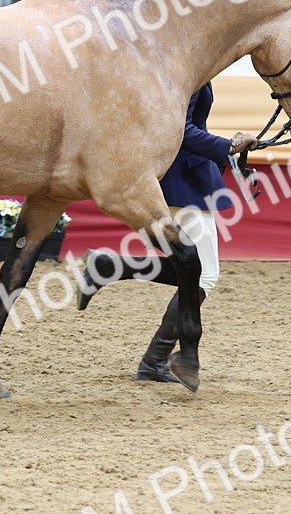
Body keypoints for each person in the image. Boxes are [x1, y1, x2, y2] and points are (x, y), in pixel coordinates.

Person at [77, 81, 257, 383]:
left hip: (177, 176)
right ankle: (155, 360)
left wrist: (228, 149)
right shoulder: (189, 74)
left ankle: (108, 266)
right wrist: (227, 146)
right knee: (203, 275)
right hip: (181, 181)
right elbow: (180, 131)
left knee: (189, 266)